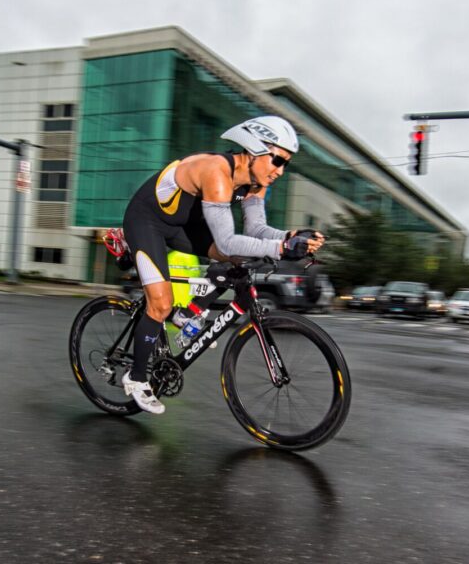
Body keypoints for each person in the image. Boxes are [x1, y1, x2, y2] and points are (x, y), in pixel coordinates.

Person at [121, 115, 325, 414]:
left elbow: (257, 232)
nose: (280, 171)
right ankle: (137, 377)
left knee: (242, 257)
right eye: (278, 161)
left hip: (184, 226)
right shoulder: (216, 170)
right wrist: (283, 248)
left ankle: (189, 312)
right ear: (256, 148)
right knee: (160, 304)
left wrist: (290, 236)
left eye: (286, 164)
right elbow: (228, 241)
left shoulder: (256, 184)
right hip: (147, 220)